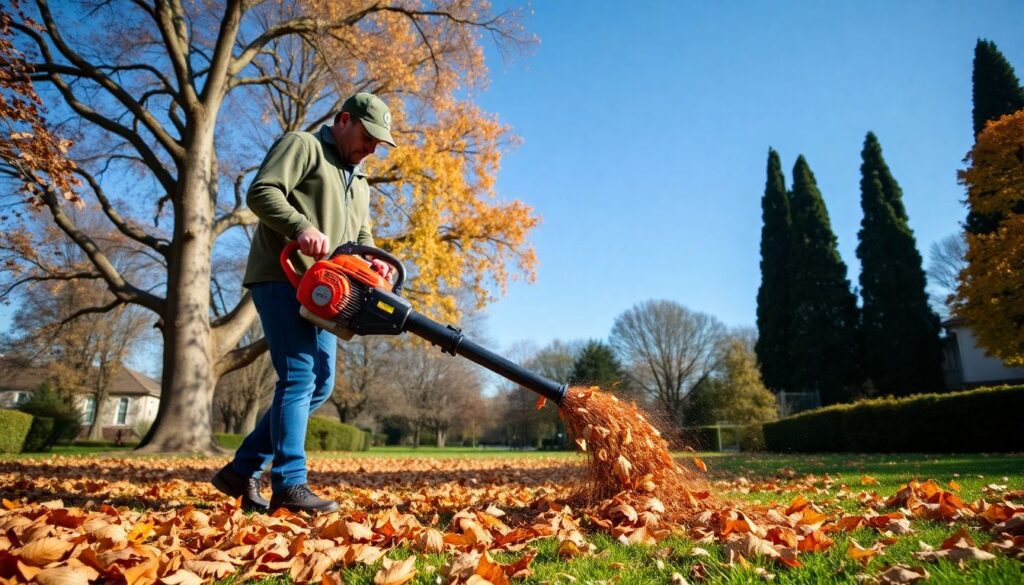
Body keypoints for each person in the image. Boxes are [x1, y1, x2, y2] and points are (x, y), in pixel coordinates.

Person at [211, 93, 396, 514]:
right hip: (283, 276)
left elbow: (360, 237)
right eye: (369, 137)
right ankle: (290, 484)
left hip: (330, 291)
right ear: (344, 120)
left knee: (321, 383)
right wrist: (301, 226)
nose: (372, 149)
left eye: (378, 144)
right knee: (298, 376)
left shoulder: (360, 182)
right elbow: (262, 192)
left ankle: (241, 471)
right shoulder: (303, 146)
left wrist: (375, 263)